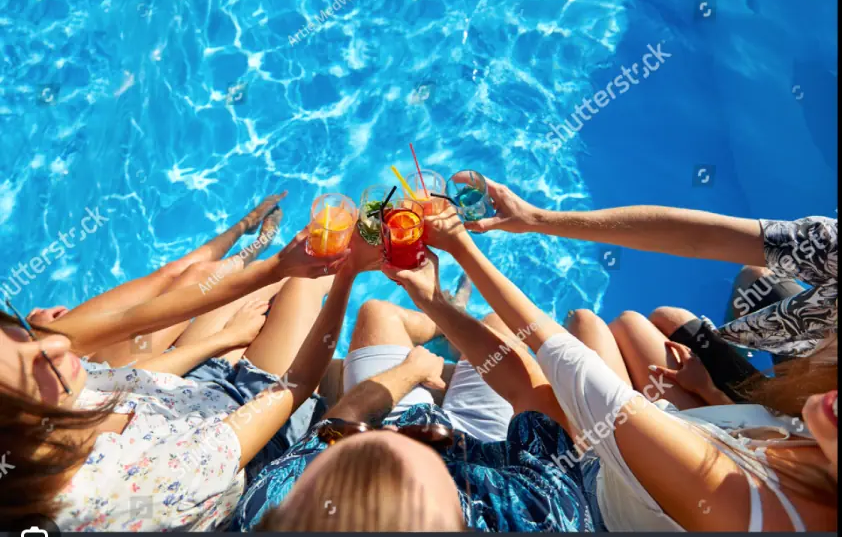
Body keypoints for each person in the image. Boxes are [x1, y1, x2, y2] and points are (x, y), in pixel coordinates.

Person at [421, 207, 837, 531]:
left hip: (598, 481)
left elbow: (562, 356)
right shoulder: (817, 440)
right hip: (683, 441)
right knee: (629, 327)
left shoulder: (741, 499)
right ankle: (442, 318)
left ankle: (441, 318)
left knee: (572, 337)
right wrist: (711, 392)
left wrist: (460, 248)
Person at [0, 228, 376, 531]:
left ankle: (262, 246)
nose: (56, 345)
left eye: (27, 336)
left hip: (193, 392)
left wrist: (271, 275)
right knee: (306, 286)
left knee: (271, 281)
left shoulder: (58, 405)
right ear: (24, 430)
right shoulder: (137, 491)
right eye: (36, 367)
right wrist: (347, 275)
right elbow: (295, 386)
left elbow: (134, 367)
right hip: (256, 433)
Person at [232, 248, 599, 532]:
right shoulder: (537, 516)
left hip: (421, 416)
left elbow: (339, 427)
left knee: (378, 312)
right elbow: (529, 392)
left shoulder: (282, 510)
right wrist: (436, 302)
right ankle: (450, 323)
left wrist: (411, 370)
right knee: (497, 325)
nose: (393, 431)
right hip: (490, 447)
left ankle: (442, 330)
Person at [465, 176, 837, 398]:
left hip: (799, 424)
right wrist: (536, 219)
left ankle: (749, 388)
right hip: (813, 361)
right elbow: (699, 237)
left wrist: (711, 393)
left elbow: (792, 449)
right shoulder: (829, 245)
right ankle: (745, 350)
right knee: (752, 279)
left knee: (632, 325)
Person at [28, 194, 287, 368]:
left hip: (43, 347)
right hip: (93, 376)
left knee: (171, 272)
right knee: (198, 276)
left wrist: (26, 334)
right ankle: (259, 245)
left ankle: (245, 224)